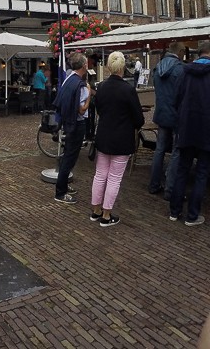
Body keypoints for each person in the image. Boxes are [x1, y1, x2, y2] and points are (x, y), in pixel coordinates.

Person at [89, 51, 145, 227]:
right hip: (122, 139)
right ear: (123, 67)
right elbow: (139, 119)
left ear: (108, 67)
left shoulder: (101, 87)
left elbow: (99, 109)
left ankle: (96, 210)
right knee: (114, 178)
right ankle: (106, 215)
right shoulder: (128, 89)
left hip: (103, 136)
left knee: (100, 175)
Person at [169, 40, 210, 226]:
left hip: (186, 128)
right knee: (201, 172)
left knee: (182, 169)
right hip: (206, 130)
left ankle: (174, 211)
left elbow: (176, 99)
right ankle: (192, 216)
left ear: (198, 53)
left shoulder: (185, 72)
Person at [52, 52, 94, 204]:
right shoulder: (81, 85)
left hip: (68, 122)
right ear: (84, 65)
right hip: (77, 123)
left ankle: (63, 184)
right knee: (70, 157)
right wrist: (89, 96)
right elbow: (82, 110)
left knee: (67, 155)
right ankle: (60, 192)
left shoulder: (68, 78)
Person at [148, 41, 185, 197]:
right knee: (176, 151)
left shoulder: (157, 67)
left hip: (162, 114)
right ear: (180, 52)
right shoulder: (180, 69)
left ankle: (154, 185)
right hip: (176, 116)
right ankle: (170, 190)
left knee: (160, 150)